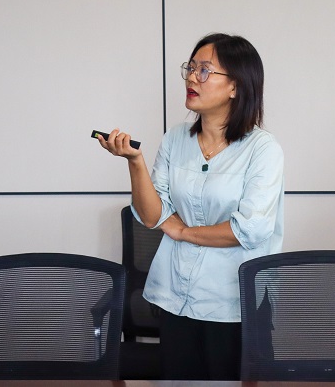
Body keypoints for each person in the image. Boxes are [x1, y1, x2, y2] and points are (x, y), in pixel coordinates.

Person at [96, 33, 284, 380]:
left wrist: (183, 231)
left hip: (231, 303)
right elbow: (152, 216)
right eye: (191, 67)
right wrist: (135, 161)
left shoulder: (262, 149)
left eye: (205, 70)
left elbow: (250, 229)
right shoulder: (175, 138)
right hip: (175, 295)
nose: (192, 78)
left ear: (235, 86)